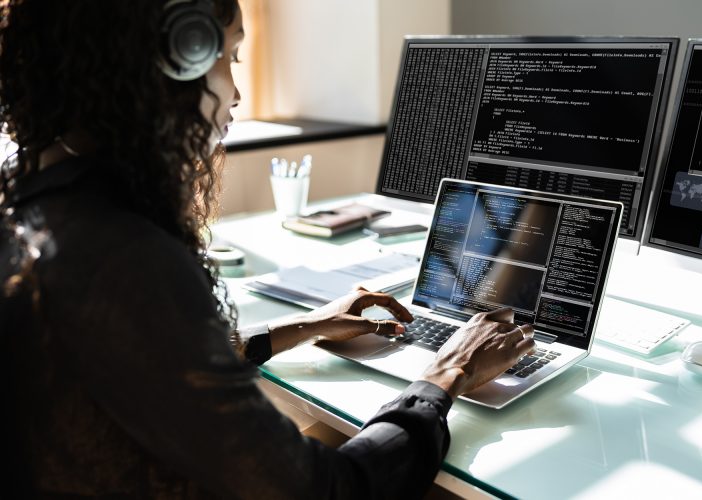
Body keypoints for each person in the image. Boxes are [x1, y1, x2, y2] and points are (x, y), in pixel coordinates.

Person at [0, 1, 536, 498]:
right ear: (169, 60)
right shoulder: (123, 259)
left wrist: (301, 328)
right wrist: (448, 372)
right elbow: (327, 490)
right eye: (229, 56)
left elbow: (145, 364)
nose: (236, 93)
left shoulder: (29, 201)